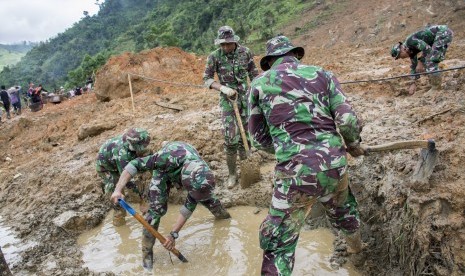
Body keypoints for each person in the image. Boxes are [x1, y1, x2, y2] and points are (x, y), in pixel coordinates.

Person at [247, 36, 366, 275]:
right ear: (296, 55)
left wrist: (285, 147)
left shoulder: (259, 84)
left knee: (279, 243)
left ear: (270, 62)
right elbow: (346, 120)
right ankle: (358, 254)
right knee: (344, 213)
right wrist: (352, 143)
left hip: (294, 175)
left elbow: (257, 139)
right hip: (334, 165)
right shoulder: (323, 74)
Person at [110, 141, 231, 269]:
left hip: (188, 171)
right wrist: (118, 189)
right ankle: (147, 256)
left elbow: (188, 208)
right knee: (157, 211)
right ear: (186, 183)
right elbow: (133, 165)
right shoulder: (165, 158)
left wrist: (173, 234)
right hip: (165, 171)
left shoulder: (202, 172)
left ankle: (224, 219)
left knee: (208, 198)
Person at [203, 26, 259, 189]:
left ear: (235, 41)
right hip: (228, 100)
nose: (226, 47)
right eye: (223, 45)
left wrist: (255, 93)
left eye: (229, 44)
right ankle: (232, 174)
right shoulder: (214, 57)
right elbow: (206, 78)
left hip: (245, 98)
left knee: (246, 138)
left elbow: (253, 73)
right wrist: (222, 88)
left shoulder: (245, 52)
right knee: (230, 137)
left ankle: (247, 171)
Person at [96, 128, 151, 226]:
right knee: (117, 197)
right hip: (107, 168)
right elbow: (128, 181)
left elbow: (150, 157)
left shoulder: (136, 141)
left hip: (117, 160)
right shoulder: (123, 154)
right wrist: (141, 201)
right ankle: (119, 220)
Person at [390, 25, 454, 95]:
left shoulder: (410, 42)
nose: (401, 58)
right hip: (436, 38)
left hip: (442, 33)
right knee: (427, 61)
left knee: (431, 61)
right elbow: (414, 67)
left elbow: (427, 49)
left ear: (402, 50)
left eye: (400, 56)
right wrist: (413, 83)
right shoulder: (410, 51)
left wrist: (420, 62)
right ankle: (434, 84)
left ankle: (436, 89)